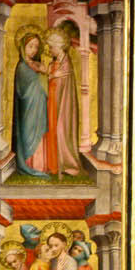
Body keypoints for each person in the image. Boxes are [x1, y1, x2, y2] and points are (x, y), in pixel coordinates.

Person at [44, 25, 83, 176]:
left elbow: (63, 82)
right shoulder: (54, 63)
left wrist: (52, 76)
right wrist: (50, 76)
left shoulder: (66, 63)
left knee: (61, 130)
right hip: (52, 102)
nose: (49, 50)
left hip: (63, 104)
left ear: (59, 46)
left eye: (51, 47)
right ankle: (54, 164)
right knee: (52, 130)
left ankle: (67, 164)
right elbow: (50, 78)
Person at [12, 27, 50, 175]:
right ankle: (29, 164)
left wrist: (43, 72)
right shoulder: (22, 67)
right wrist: (39, 74)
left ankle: (40, 165)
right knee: (28, 135)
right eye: (30, 46)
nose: (34, 50)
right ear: (23, 47)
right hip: (28, 109)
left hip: (40, 108)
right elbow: (24, 91)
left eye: (36, 47)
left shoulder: (36, 64)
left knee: (39, 135)